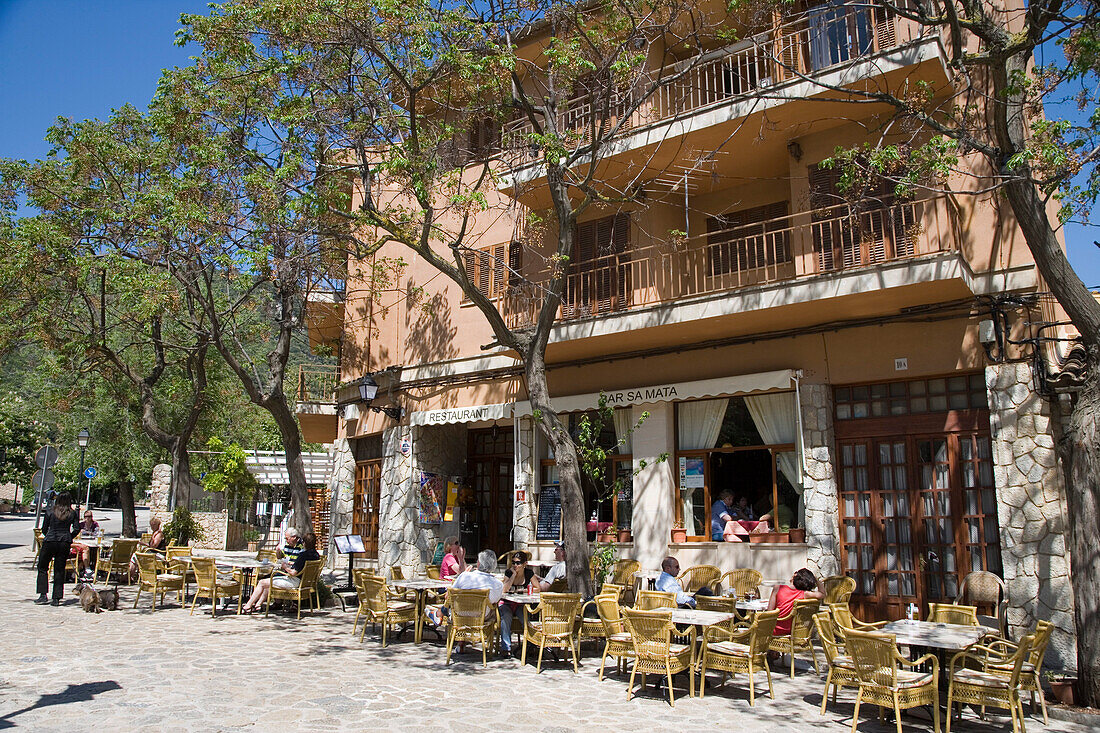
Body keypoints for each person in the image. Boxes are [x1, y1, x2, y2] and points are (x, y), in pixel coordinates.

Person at [242, 531, 321, 613]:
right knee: (267, 583)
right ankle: (258, 605)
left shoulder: (303, 555)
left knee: (262, 582)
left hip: (294, 581)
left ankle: (248, 606)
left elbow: (293, 573)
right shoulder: (316, 555)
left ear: (304, 543)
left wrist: (285, 567)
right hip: (305, 583)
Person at [36, 491, 80, 605]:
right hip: (64, 542)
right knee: (59, 569)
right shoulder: (72, 513)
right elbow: (76, 528)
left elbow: (44, 528)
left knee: (42, 567)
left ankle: (42, 595)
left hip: (50, 540)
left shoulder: (50, 511)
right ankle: (56, 597)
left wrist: (48, 535)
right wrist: (69, 536)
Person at [768, 567, 825, 635]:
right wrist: (816, 579)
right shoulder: (804, 594)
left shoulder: (778, 588)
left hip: (776, 629)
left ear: (795, 575)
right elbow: (823, 594)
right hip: (794, 630)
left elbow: (770, 612)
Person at [499, 550, 535, 656]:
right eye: (513, 562)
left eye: (518, 563)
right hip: (507, 603)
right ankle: (506, 648)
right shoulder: (509, 573)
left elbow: (538, 587)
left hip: (520, 603)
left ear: (524, 564)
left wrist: (524, 590)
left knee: (525, 619)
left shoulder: (529, 573)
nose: (515, 565)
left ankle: (529, 645)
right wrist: (513, 575)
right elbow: (504, 589)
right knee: (506, 617)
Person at [73, 510, 100, 578]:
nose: (87, 518)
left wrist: (90, 533)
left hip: (92, 541)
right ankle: (87, 569)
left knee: (93, 550)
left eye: (89, 516)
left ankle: (90, 568)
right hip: (83, 541)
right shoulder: (81, 524)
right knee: (85, 550)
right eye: (86, 517)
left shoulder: (94, 524)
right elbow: (77, 534)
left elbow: (97, 533)